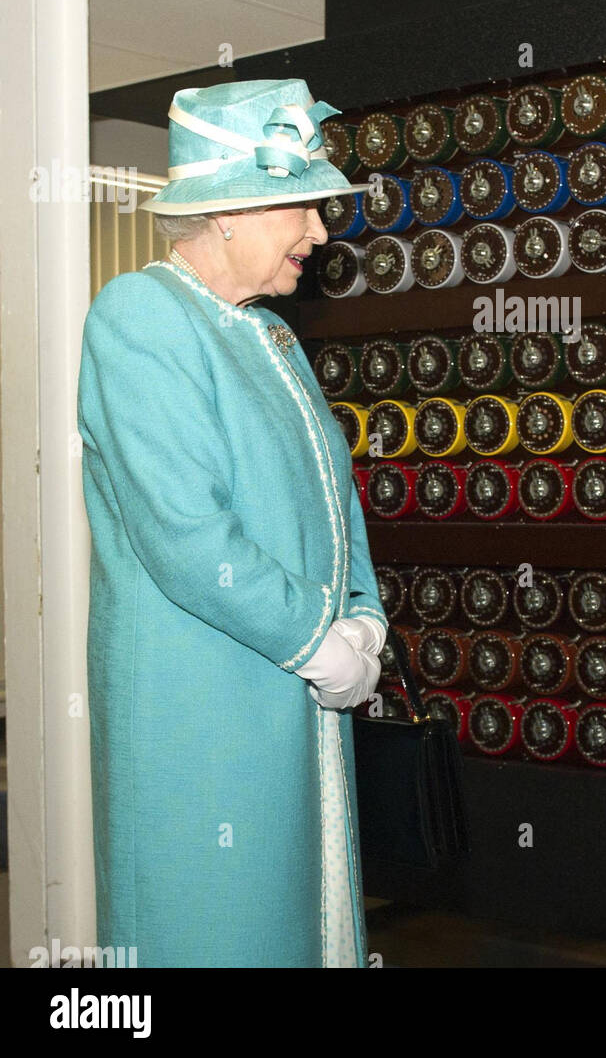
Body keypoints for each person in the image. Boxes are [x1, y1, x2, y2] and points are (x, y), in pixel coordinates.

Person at [78, 79, 387, 967]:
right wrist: (316, 641)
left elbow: (338, 495)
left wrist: (363, 611)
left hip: (289, 702)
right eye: (305, 206)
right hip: (201, 717)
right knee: (216, 930)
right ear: (228, 213)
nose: (321, 234)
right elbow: (186, 535)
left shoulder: (268, 335)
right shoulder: (139, 315)